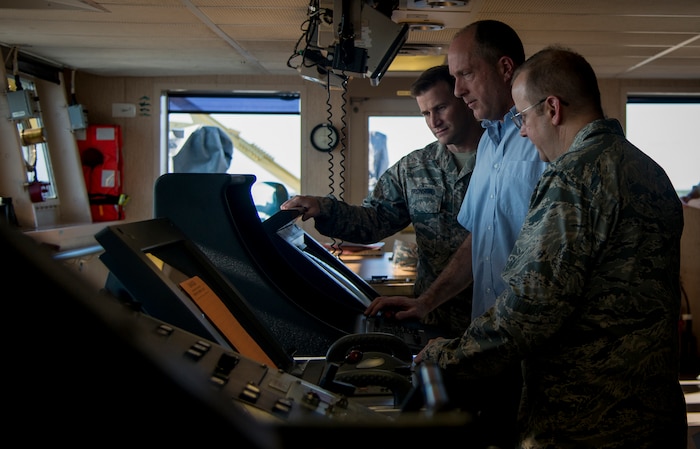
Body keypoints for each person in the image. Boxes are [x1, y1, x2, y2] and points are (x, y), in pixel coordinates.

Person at [416, 45, 688, 448]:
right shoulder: (649, 170)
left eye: (523, 117)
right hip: (653, 414)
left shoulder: (571, 180)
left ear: (553, 109)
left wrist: (444, 355)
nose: (523, 131)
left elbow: (528, 312)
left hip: (584, 421)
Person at [365, 20, 547, 449]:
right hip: (488, 345)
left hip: (530, 349)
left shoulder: (543, 141)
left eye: (465, 74)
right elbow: (479, 241)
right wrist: (425, 302)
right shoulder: (491, 144)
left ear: (504, 68)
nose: (459, 89)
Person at [281, 65, 483, 337]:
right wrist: (323, 207)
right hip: (434, 318)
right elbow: (373, 221)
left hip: (492, 314)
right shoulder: (413, 167)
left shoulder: (504, 158)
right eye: (425, 113)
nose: (433, 121)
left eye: (441, 108)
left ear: (465, 99)